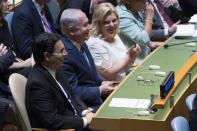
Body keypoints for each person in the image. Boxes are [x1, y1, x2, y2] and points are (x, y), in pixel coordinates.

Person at [26, 32, 93, 131]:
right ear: (47, 56)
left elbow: (72, 95)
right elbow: (53, 121)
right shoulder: (37, 84)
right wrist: (85, 121)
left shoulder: (56, 68)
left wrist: (85, 111)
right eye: (61, 51)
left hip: (77, 119)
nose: (66, 54)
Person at [60, 9, 116, 111]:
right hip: (86, 108)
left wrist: (102, 82)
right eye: (85, 25)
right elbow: (72, 92)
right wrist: (100, 90)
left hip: (98, 99)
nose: (90, 27)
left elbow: (91, 71)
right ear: (71, 30)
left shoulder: (82, 42)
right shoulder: (64, 55)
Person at [87, 3, 141, 81]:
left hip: (123, 80)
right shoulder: (95, 43)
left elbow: (123, 65)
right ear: (98, 24)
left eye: (114, 20)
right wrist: (129, 57)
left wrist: (133, 57)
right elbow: (109, 73)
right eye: (106, 22)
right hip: (112, 88)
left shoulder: (113, 34)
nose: (112, 25)